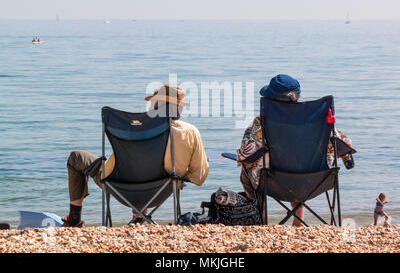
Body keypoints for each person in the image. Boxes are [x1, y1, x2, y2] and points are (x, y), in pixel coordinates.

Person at [62, 85, 209, 227]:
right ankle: (138, 218)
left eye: (152, 103)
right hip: (162, 190)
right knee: (146, 167)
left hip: (120, 189)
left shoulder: (136, 128)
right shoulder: (191, 132)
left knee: (76, 157)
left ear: (157, 106)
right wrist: (179, 177)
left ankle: (74, 220)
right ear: (178, 108)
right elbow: (199, 177)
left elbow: (112, 168)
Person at [236, 74, 353, 227]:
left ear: (270, 99)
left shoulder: (262, 121)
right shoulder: (315, 120)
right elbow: (344, 144)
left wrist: (241, 159)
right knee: (299, 161)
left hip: (273, 181)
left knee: (247, 170)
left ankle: (260, 219)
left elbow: (247, 154)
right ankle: (298, 221)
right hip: (316, 180)